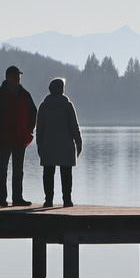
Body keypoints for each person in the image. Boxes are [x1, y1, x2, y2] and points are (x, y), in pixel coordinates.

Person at [0, 66, 37, 207]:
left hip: (20, 137)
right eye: (15, 75)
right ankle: (2, 199)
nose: (17, 78)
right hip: (4, 137)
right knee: (2, 169)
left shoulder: (25, 94)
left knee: (18, 170)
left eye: (19, 76)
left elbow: (33, 112)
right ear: (7, 77)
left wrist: (29, 129)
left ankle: (17, 198)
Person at [35, 77, 83, 208]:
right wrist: (78, 142)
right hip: (66, 143)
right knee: (66, 174)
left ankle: (48, 200)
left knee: (48, 173)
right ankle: (67, 200)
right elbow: (74, 126)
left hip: (48, 143)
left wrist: (39, 143)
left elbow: (39, 127)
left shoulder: (44, 106)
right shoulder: (68, 105)